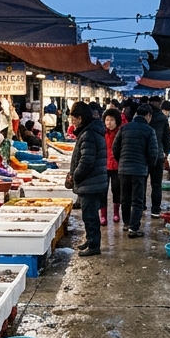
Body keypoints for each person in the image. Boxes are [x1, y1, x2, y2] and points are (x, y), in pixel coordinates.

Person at [112, 103, 164, 239]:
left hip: (123, 169)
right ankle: (134, 229)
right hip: (139, 170)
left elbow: (115, 148)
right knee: (137, 200)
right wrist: (147, 166)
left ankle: (126, 224)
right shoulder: (149, 130)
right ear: (148, 116)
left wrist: (121, 161)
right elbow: (153, 153)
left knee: (125, 197)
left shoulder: (124, 128)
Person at [67, 101, 108, 257]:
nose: (72, 122)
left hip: (91, 182)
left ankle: (94, 245)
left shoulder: (88, 134)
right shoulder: (89, 131)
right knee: (88, 215)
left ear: (80, 118)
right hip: (93, 181)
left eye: (74, 119)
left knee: (90, 216)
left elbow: (87, 161)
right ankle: (90, 240)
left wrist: (75, 175)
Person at [149, 99, 170, 216]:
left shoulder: (143, 117)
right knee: (156, 184)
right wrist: (166, 152)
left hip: (144, 156)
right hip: (158, 155)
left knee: (141, 183)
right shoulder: (162, 118)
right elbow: (167, 137)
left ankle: (141, 205)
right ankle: (155, 209)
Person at [103, 109, 122, 226]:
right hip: (104, 166)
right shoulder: (101, 133)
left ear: (117, 121)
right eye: (107, 120)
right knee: (102, 191)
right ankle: (103, 216)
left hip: (117, 166)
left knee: (116, 190)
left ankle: (116, 213)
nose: (109, 122)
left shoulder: (121, 133)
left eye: (111, 120)